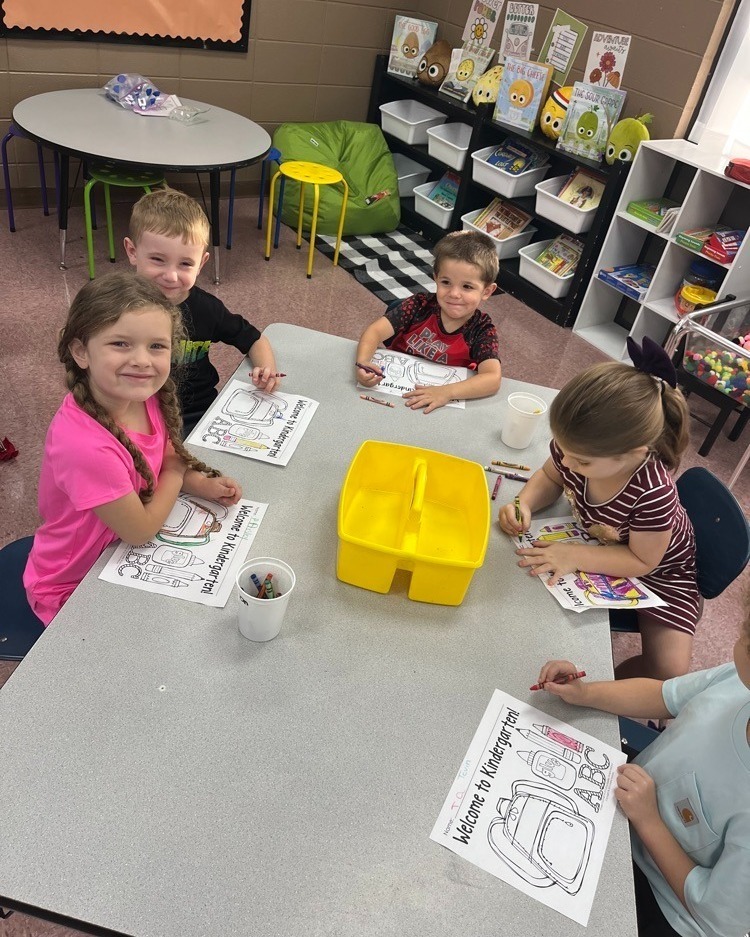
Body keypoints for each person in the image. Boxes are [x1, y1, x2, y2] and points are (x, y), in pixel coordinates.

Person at [23, 272, 242, 626]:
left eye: (157, 346)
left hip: (118, 560)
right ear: (81, 351)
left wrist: (199, 483)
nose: (142, 360)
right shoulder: (85, 446)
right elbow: (140, 531)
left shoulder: (142, 396)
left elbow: (163, 459)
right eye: (121, 344)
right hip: (73, 584)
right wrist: (175, 472)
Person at [534, 599, 750, 937]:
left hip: (667, 907)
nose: (738, 637)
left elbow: (715, 916)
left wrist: (648, 820)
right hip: (625, 807)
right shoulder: (737, 682)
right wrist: (585, 693)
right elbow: (665, 696)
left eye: (747, 636)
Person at [498, 337, 699, 680]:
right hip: (603, 544)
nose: (568, 463)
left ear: (636, 452)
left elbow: (642, 561)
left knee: (667, 674)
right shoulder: (577, 447)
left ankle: (612, 685)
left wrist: (575, 555)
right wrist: (524, 502)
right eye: (563, 449)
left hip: (662, 573)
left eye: (583, 462)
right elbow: (550, 475)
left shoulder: (653, 492)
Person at [124, 186, 278, 437]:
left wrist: (266, 370)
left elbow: (254, 339)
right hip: (138, 417)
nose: (171, 275)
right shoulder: (117, 307)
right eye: (157, 260)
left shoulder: (207, 308)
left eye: (185, 263)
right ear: (132, 251)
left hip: (200, 413)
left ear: (202, 263)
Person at [355, 230, 502, 413]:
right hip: (391, 392)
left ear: (487, 291)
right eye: (446, 282)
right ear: (436, 278)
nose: (454, 294)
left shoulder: (481, 329)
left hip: (439, 403)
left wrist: (446, 392)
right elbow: (375, 332)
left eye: (467, 286)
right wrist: (363, 362)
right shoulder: (418, 305)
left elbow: (492, 379)